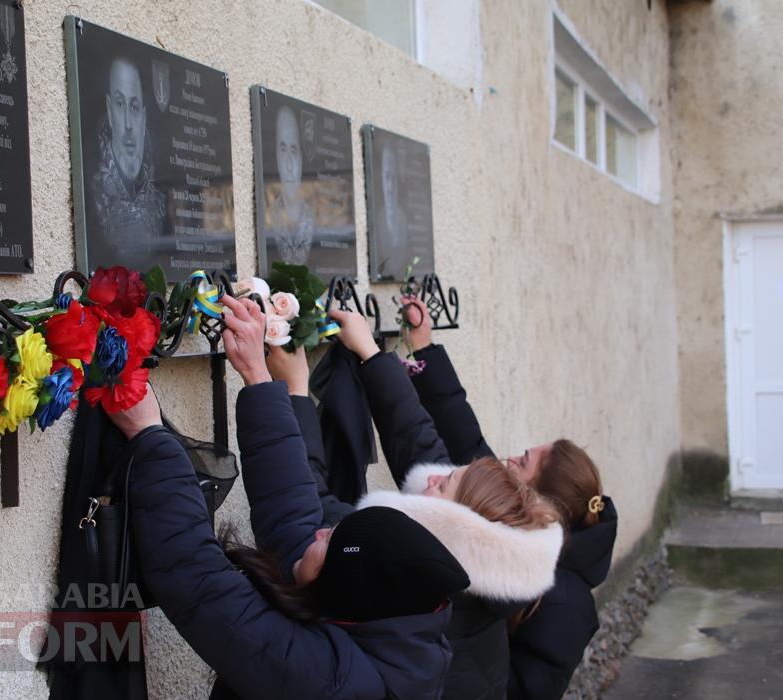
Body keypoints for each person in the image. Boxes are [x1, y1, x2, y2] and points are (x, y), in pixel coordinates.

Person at [113, 294, 470, 699]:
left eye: (330, 542)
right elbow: (293, 518)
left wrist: (149, 435)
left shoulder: (331, 684)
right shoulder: (387, 616)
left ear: (342, 594)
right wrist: (257, 375)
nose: (321, 531)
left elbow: (197, 583)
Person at [278, 309, 564, 700]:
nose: (433, 474)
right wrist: (371, 355)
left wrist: (294, 393)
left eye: (443, 483)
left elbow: (309, 507)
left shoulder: (399, 559)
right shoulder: (488, 558)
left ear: (453, 521)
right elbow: (421, 445)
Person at [398, 295, 620, 700]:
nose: (504, 459)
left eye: (521, 462)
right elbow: (461, 430)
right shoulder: (511, 524)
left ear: (535, 503)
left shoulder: (566, 605)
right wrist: (424, 349)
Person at [91, 56, 166, 268]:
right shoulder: (95, 193)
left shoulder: (161, 199)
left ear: (143, 118)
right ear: (109, 110)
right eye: (119, 103)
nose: (127, 124)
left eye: (133, 107)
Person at [267, 105, 314, 266]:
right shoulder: (270, 214)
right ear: (276, 158)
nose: (289, 166)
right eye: (283, 150)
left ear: (301, 159)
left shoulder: (311, 215)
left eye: (293, 151)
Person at [373, 142, 410, 279]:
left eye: (394, 178)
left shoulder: (403, 219)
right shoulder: (377, 219)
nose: (390, 186)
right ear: (381, 178)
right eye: (387, 177)